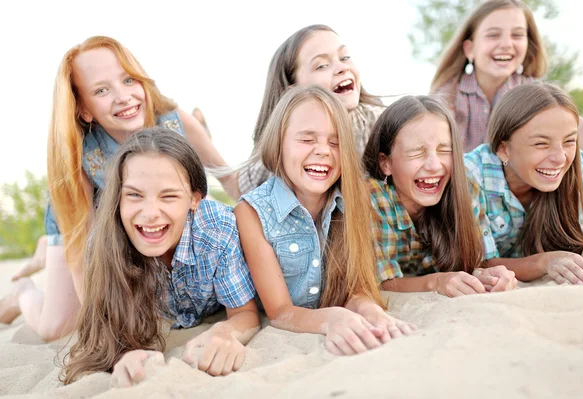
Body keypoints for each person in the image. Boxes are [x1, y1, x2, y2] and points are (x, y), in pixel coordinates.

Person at [0, 36, 234, 341]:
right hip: (82, 224)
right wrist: (103, 320)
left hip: (131, 217)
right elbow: (85, 244)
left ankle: (44, 251)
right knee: (56, 327)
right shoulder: (81, 155)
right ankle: (22, 291)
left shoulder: (175, 122)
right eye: (101, 90)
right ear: (83, 108)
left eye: (128, 80)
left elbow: (230, 178)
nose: (123, 97)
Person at [62, 127, 259, 385]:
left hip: (207, 309)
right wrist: (126, 355)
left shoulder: (219, 230)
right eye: (134, 195)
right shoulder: (103, 242)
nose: (150, 212)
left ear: (194, 198)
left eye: (168, 196)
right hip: (162, 311)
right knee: (50, 324)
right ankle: (23, 292)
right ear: (118, 198)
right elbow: (105, 327)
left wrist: (225, 332)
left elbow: (245, 312)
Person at [235, 85, 416, 356]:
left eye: (335, 142)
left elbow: (354, 289)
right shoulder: (251, 213)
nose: (323, 150)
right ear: (279, 143)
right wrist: (333, 319)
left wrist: (371, 312)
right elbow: (280, 312)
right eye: (307, 139)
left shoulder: (354, 202)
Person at [363, 95, 517, 297]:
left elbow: (474, 264)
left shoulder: (465, 187)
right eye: (417, 153)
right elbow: (380, 282)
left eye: (445, 150)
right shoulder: (371, 198)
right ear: (386, 163)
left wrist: (487, 275)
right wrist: (436, 282)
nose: (435, 165)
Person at [465, 82, 583, 284]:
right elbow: (478, 264)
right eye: (541, 144)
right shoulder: (471, 175)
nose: (560, 158)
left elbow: (566, 239)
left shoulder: (574, 164)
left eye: (569, 141)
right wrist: (545, 262)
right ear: (503, 149)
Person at [431, 0, 583, 157]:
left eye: (517, 35)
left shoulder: (534, 94)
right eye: (493, 35)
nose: (506, 44)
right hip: (460, 187)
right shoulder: (448, 95)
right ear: (470, 49)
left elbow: (575, 128)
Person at [234, 24, 385, 197]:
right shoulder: (279, 146)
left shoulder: (379, 123)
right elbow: (243, 187)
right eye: (321, 66)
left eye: (345, 57)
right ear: (293, 90)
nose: (342, 68)